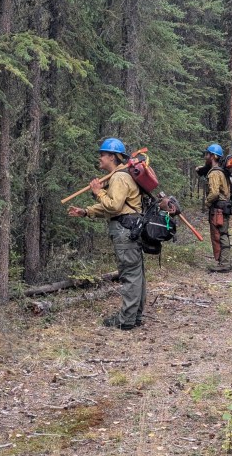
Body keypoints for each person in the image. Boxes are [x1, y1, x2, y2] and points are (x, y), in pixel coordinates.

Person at [67, 138, 145, 330]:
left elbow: (114, 205)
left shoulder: (119, 177)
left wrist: (98, 192)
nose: (100, 158)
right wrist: (86, 211)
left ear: (112, 157)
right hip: (130, 229)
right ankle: (134, 316)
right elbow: (112, 209)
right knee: (136, 274)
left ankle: (127, 320)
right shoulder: (121, 176)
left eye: (102, 154)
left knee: (130, 275)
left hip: (125, 232)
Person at [204, 143, 232, 273]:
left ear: (213, 156)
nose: (205, 156)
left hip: (218, 209)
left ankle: (225, 264)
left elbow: (214, 193)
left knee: (220, 235)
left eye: (207, 154)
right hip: (223, 207)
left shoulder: (215, 173)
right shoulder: (222, 172)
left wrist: (207, 202)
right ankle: (224, 262)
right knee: (223, 234)